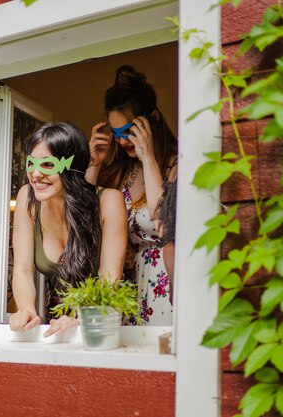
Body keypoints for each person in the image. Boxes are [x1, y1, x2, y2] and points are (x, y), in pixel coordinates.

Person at [9, 122, 127, 337]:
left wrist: (79, 319)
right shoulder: (28, 198)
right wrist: (26, 310)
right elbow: (23, 269)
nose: (35, 174)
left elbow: (109, 279)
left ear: (71, 165)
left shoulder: (109, 201)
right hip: (56, 323)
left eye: (47, 165)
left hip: (102, 320)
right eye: (31, 164)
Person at [87, 65, 178, 326]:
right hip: (127, 288)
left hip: (166, 283)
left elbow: (164, 228)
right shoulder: (122, 172)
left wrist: (148, 157)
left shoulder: (178, 164)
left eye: (129, 130)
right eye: (116, 134)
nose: (123, 140)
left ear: (153, 119)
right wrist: (94, 165)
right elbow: (83, 220)